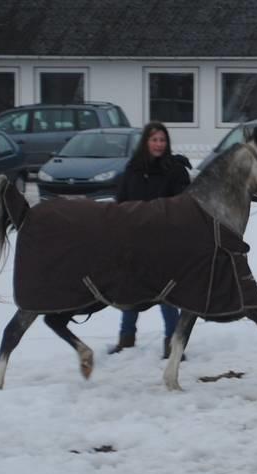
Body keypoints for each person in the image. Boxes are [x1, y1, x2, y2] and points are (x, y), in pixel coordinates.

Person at [109, 121, 191, 358]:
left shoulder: (175, 170)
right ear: (146, 142)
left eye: (162, 140)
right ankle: (126, 338)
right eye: (154, 140)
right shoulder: (132, 169)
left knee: (166, 292)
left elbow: (183, 205)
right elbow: (120, 203)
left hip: (164, 241)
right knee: (130, 289)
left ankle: (173, 343)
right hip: (135, 240)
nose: (158, 144)